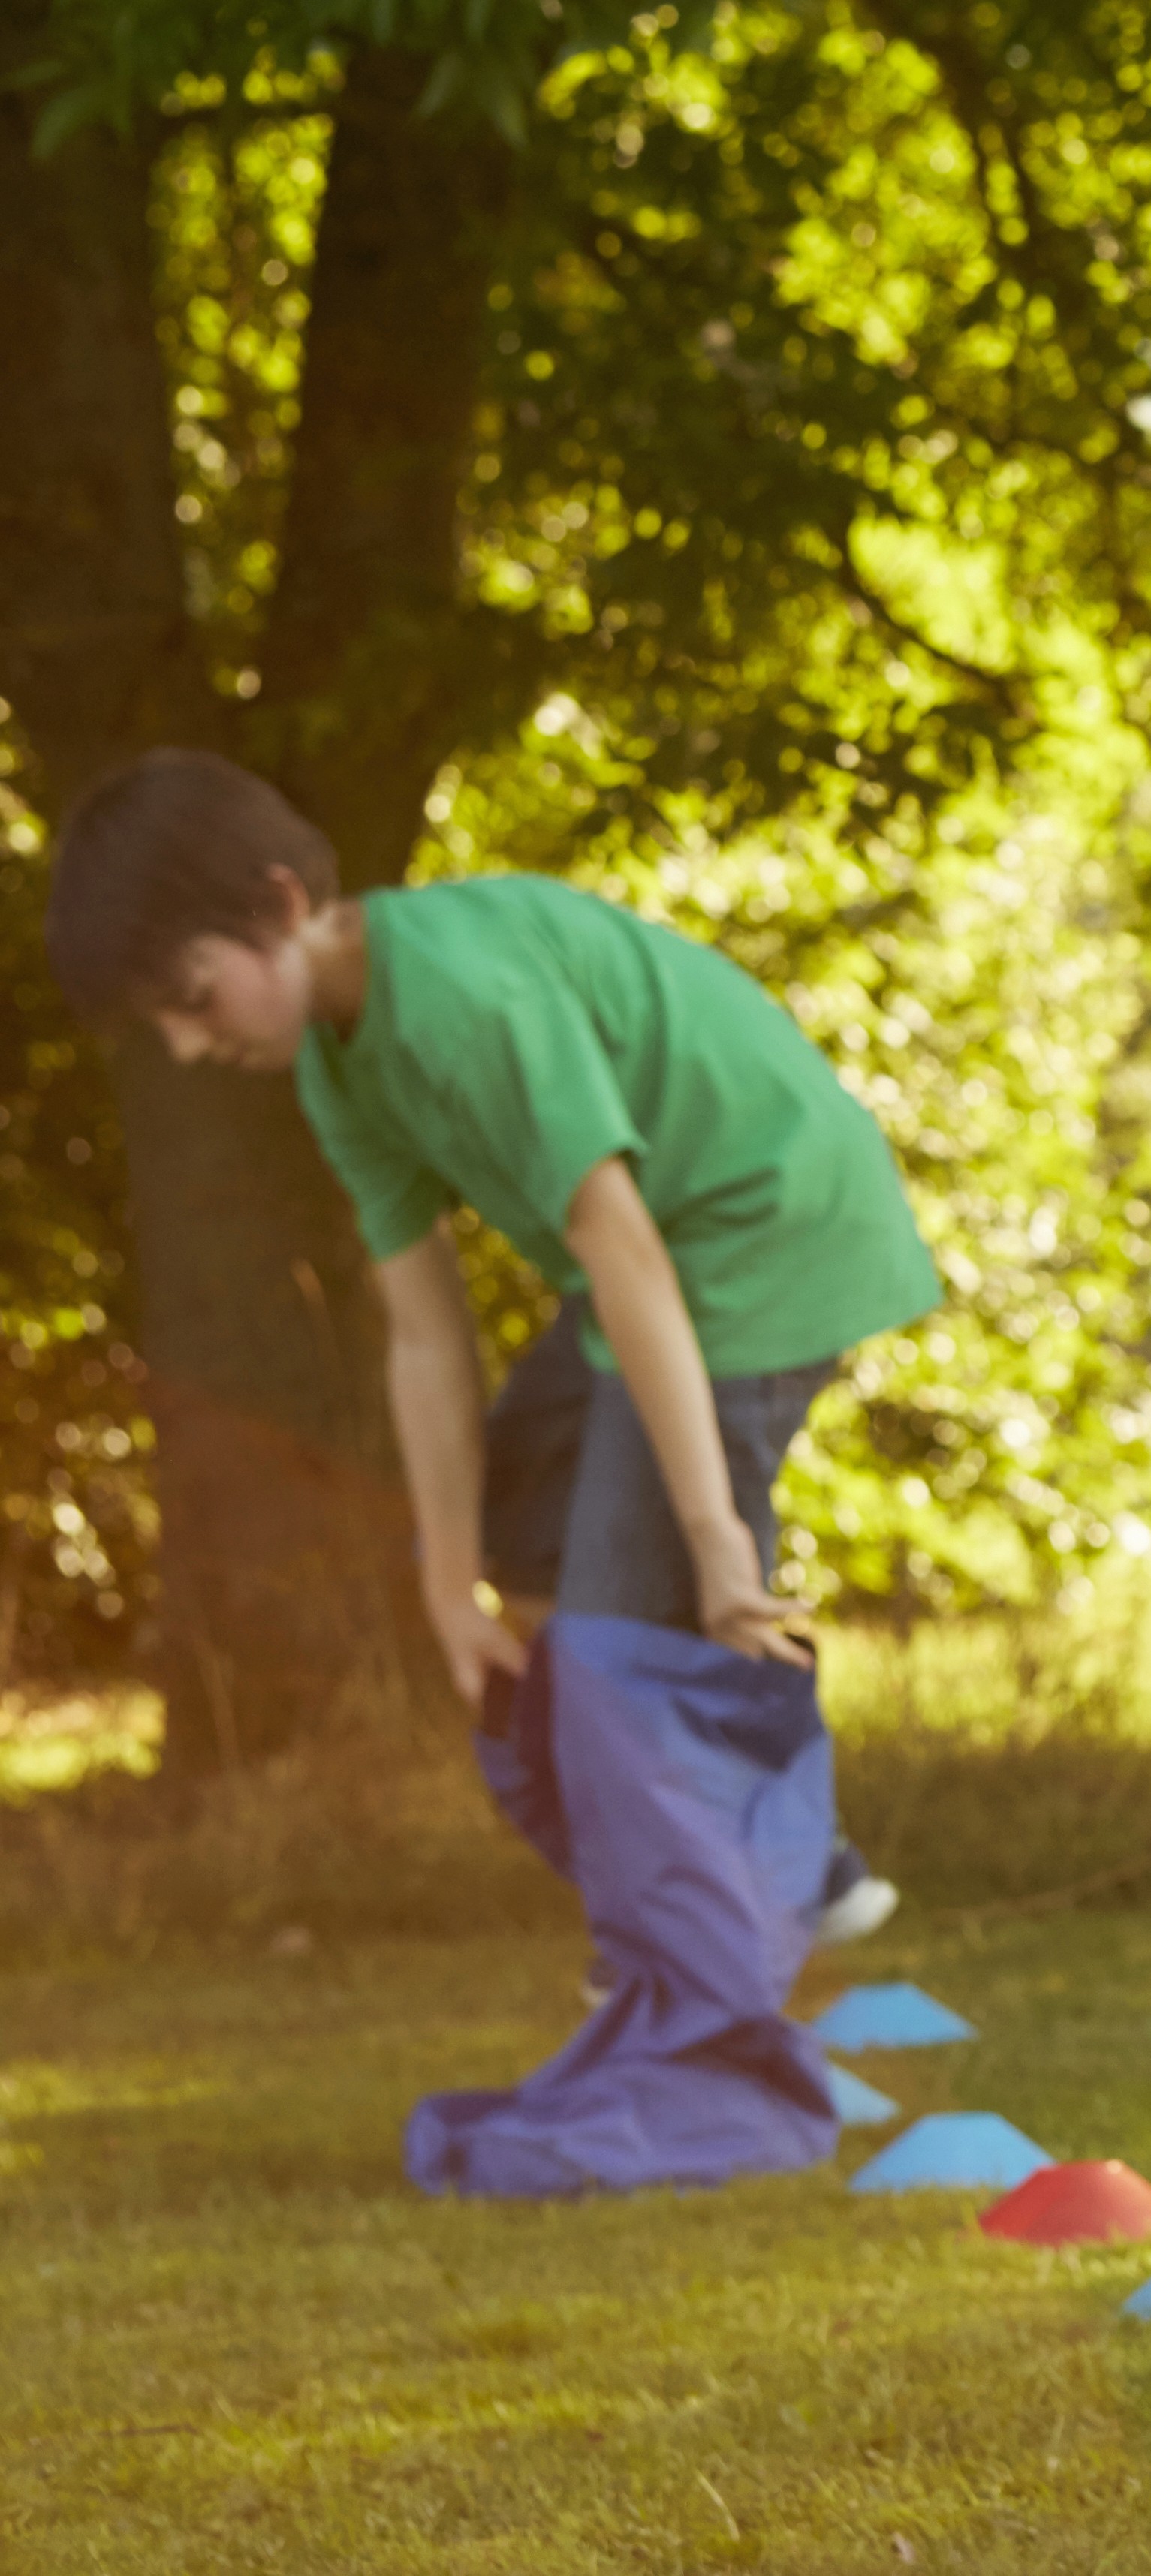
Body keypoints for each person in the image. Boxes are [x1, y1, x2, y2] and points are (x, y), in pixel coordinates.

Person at [48, 751, 939, 2196]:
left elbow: (625, 1247)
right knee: (542, 1563)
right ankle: (748, 1885)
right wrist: (444, 1577)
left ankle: (744, 1944)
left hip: (762, 1242)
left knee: (616, 1630)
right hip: (655, 1284)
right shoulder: (344, 1062)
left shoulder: (457, 994)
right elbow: (422, 1335)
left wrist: (715, 1535)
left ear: (284, 905)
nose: (196, 1047)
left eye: (196, 999)